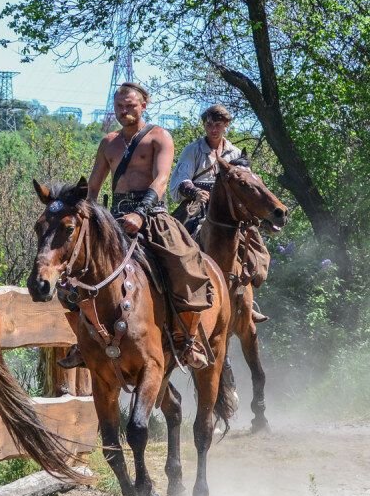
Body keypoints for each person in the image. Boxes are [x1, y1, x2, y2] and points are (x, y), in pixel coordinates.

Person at [59, 83, 213, 370]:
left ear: (144, 104)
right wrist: (86, 216)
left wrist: (141, 213)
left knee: (187, 266)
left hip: (153, 216)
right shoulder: (108, 142)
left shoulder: (159, 137)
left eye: (130, 105)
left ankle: (187, 341)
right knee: (68, 278)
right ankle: (84, 342)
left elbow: (161, 180)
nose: (124, 111)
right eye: (119, 106)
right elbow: (93, 187)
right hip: (114, 219)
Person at [170, 104, 271, 312]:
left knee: (254, 247)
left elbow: (246, 186)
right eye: (209, 124)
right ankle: (175, 296)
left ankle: (246, 300)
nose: (213, 129)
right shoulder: (194, 150)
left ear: (226, 125)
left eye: (217, 125)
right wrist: (195, 192)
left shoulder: (234, 152)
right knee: (175, 244)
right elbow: (179, 180)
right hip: (196, 205)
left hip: (230, 209)